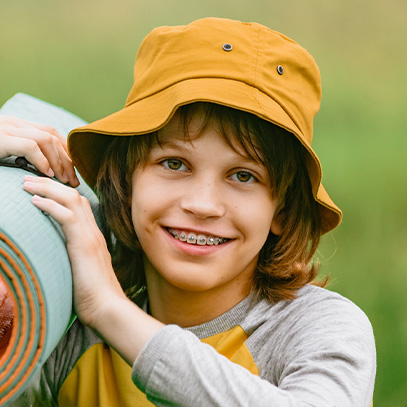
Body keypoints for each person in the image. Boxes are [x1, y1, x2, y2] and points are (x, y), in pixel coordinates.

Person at [0, 17, 376, 406]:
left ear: (281, 208)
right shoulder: (67, 328)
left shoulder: (317, 328)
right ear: (128, 181)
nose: (202, 204)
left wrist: (111, 311)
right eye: (174, 164)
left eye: (243, 175)